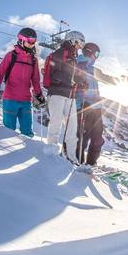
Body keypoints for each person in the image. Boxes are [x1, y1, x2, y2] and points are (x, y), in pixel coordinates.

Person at [0, 28, 45, 137]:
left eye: (34, 40)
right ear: (21, 39)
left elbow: (35, 80)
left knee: (27, 131)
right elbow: (0, 72)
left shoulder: (33, 60)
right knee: (8, 130)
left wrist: (39, 94)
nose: (32, 43)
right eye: (30, 40)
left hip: (25, 101)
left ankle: (27, 151)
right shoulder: (11, 56)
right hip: (10, 99)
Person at [43, 30, 85, 162]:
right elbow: (53, 74)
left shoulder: (73, 58)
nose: (80, 47)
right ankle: (51, 152)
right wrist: (71, 80)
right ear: (73, 40)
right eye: (79, 43)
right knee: (56, 122)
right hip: (56, 93)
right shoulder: (61, 53)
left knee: (72, 127)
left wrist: (80, 81)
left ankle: (72, 157)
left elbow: (73, 76)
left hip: (69, 95)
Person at [75, 42, 118, 165]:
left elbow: (107, 78)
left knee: (98, 139)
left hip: (96, 108)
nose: (97, 57)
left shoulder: (94, 70)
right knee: (83, 137)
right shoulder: (78, 64)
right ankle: (77, 162)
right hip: (83, 105)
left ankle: (91, 163)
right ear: (90, 52)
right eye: (97, 54)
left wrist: (126, 80)